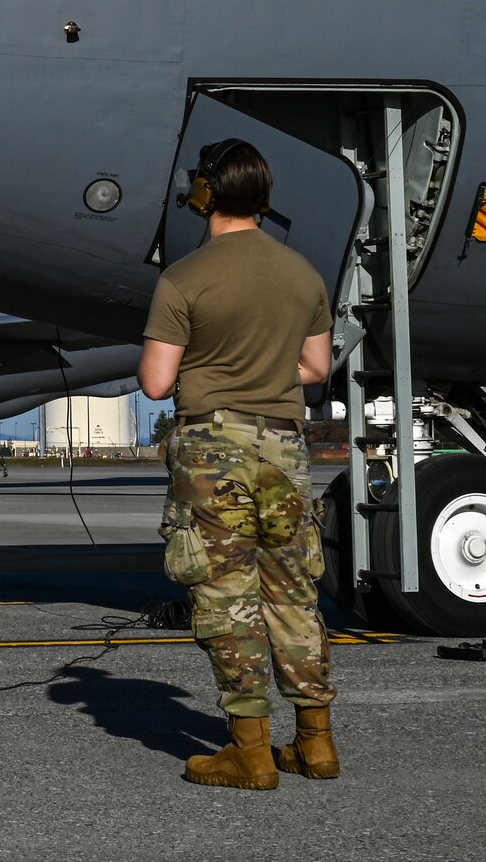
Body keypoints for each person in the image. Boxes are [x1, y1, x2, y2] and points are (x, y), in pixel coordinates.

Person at [137, 138, 338, 791]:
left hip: (213, 453)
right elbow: (316, 368)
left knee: (228, 598)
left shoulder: (184, 278)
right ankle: (315, 742)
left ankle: (250, 753)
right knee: (293, 593)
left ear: (205, 192)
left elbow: (157, 383)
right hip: (284, 447)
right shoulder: (304, 275)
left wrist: (211, 363)